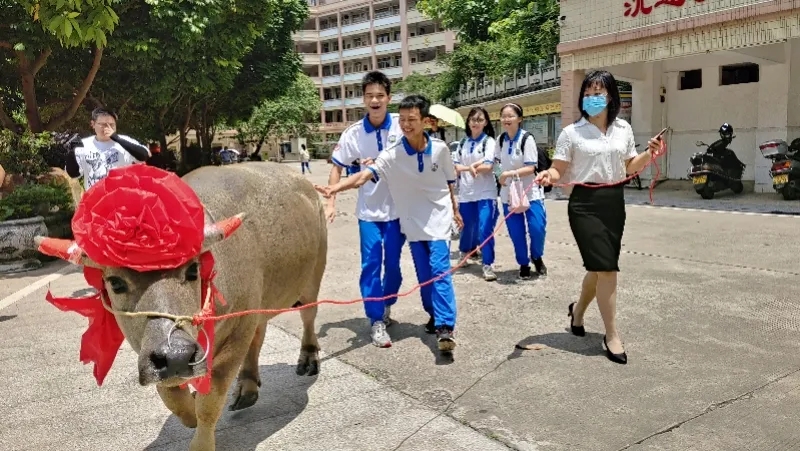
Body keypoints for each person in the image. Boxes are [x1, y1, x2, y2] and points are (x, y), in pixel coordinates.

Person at [534, 70, 664, 365]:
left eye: (598, 93)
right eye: (588, 93)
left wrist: (649, 153)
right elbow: (558, 169)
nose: (592, 98)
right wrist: (548, 175)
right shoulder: (572, 133)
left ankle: (578, 311)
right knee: (607, 269)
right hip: (584, 204)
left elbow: (630, 166)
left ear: (610, 96)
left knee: (598, 267)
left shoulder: (623, 129)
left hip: (613, 203)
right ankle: (612, 335)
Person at [316, 94, 463, 353]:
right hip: (412, 222)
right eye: (402, 119)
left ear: (426, 121)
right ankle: (433, 314)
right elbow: (363, 176)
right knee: (424, 276)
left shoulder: (441, 149)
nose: (406, 125)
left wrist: (455, 210)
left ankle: (445, 328)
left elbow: (450, 182)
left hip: (438, 220)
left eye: (412, 120)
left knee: (439, 269)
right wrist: (335, 189)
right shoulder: (393, 154)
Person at [325, 71, 405, 348]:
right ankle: (376, 320)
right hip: (369, 213)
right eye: (370, 95)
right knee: (370, 265)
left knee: (393, 267)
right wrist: (331, 202)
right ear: (363, 99)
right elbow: (337, 167)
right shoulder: (354, 133)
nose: (375, 100)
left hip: (398, 212)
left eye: (380, 95)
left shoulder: (401, 126)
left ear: (389, 98)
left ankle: (386, 304)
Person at [495, 103, 548, 280]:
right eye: (504, 116)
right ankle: (523, 263)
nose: (506, 119)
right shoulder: (500, 140)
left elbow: (531, 167)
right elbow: (496, 163)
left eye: (510, 116)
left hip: (530, 191)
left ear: (519, 119)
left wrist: (508, 173)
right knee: (516, 233)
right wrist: (499, 175)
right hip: (509, 194)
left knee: (537, 228)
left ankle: (537, 256)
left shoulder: (527, 139)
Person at [452, 107, 499, 281]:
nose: (475, 123)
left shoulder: (489, 142)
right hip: (466, 192)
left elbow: (488, 166)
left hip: (486, 193)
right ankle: (464, 253)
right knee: (465, 226)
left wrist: (474, 167)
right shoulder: (463, 143)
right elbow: (455, 166)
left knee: (485, 227)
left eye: (480, 120)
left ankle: (487, 264)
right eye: (473, 119)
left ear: (485, 122)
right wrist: (469, 168)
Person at [66, 107, 150, 191]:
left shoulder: (124, 140)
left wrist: (116, 138)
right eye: (103, 125)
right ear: (93, 124)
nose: (107, 128)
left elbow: (144, 155)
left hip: (121, 195)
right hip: (95, 196)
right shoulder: (84, 144)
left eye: (111, 125)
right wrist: (71, 153)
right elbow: (74, 174)